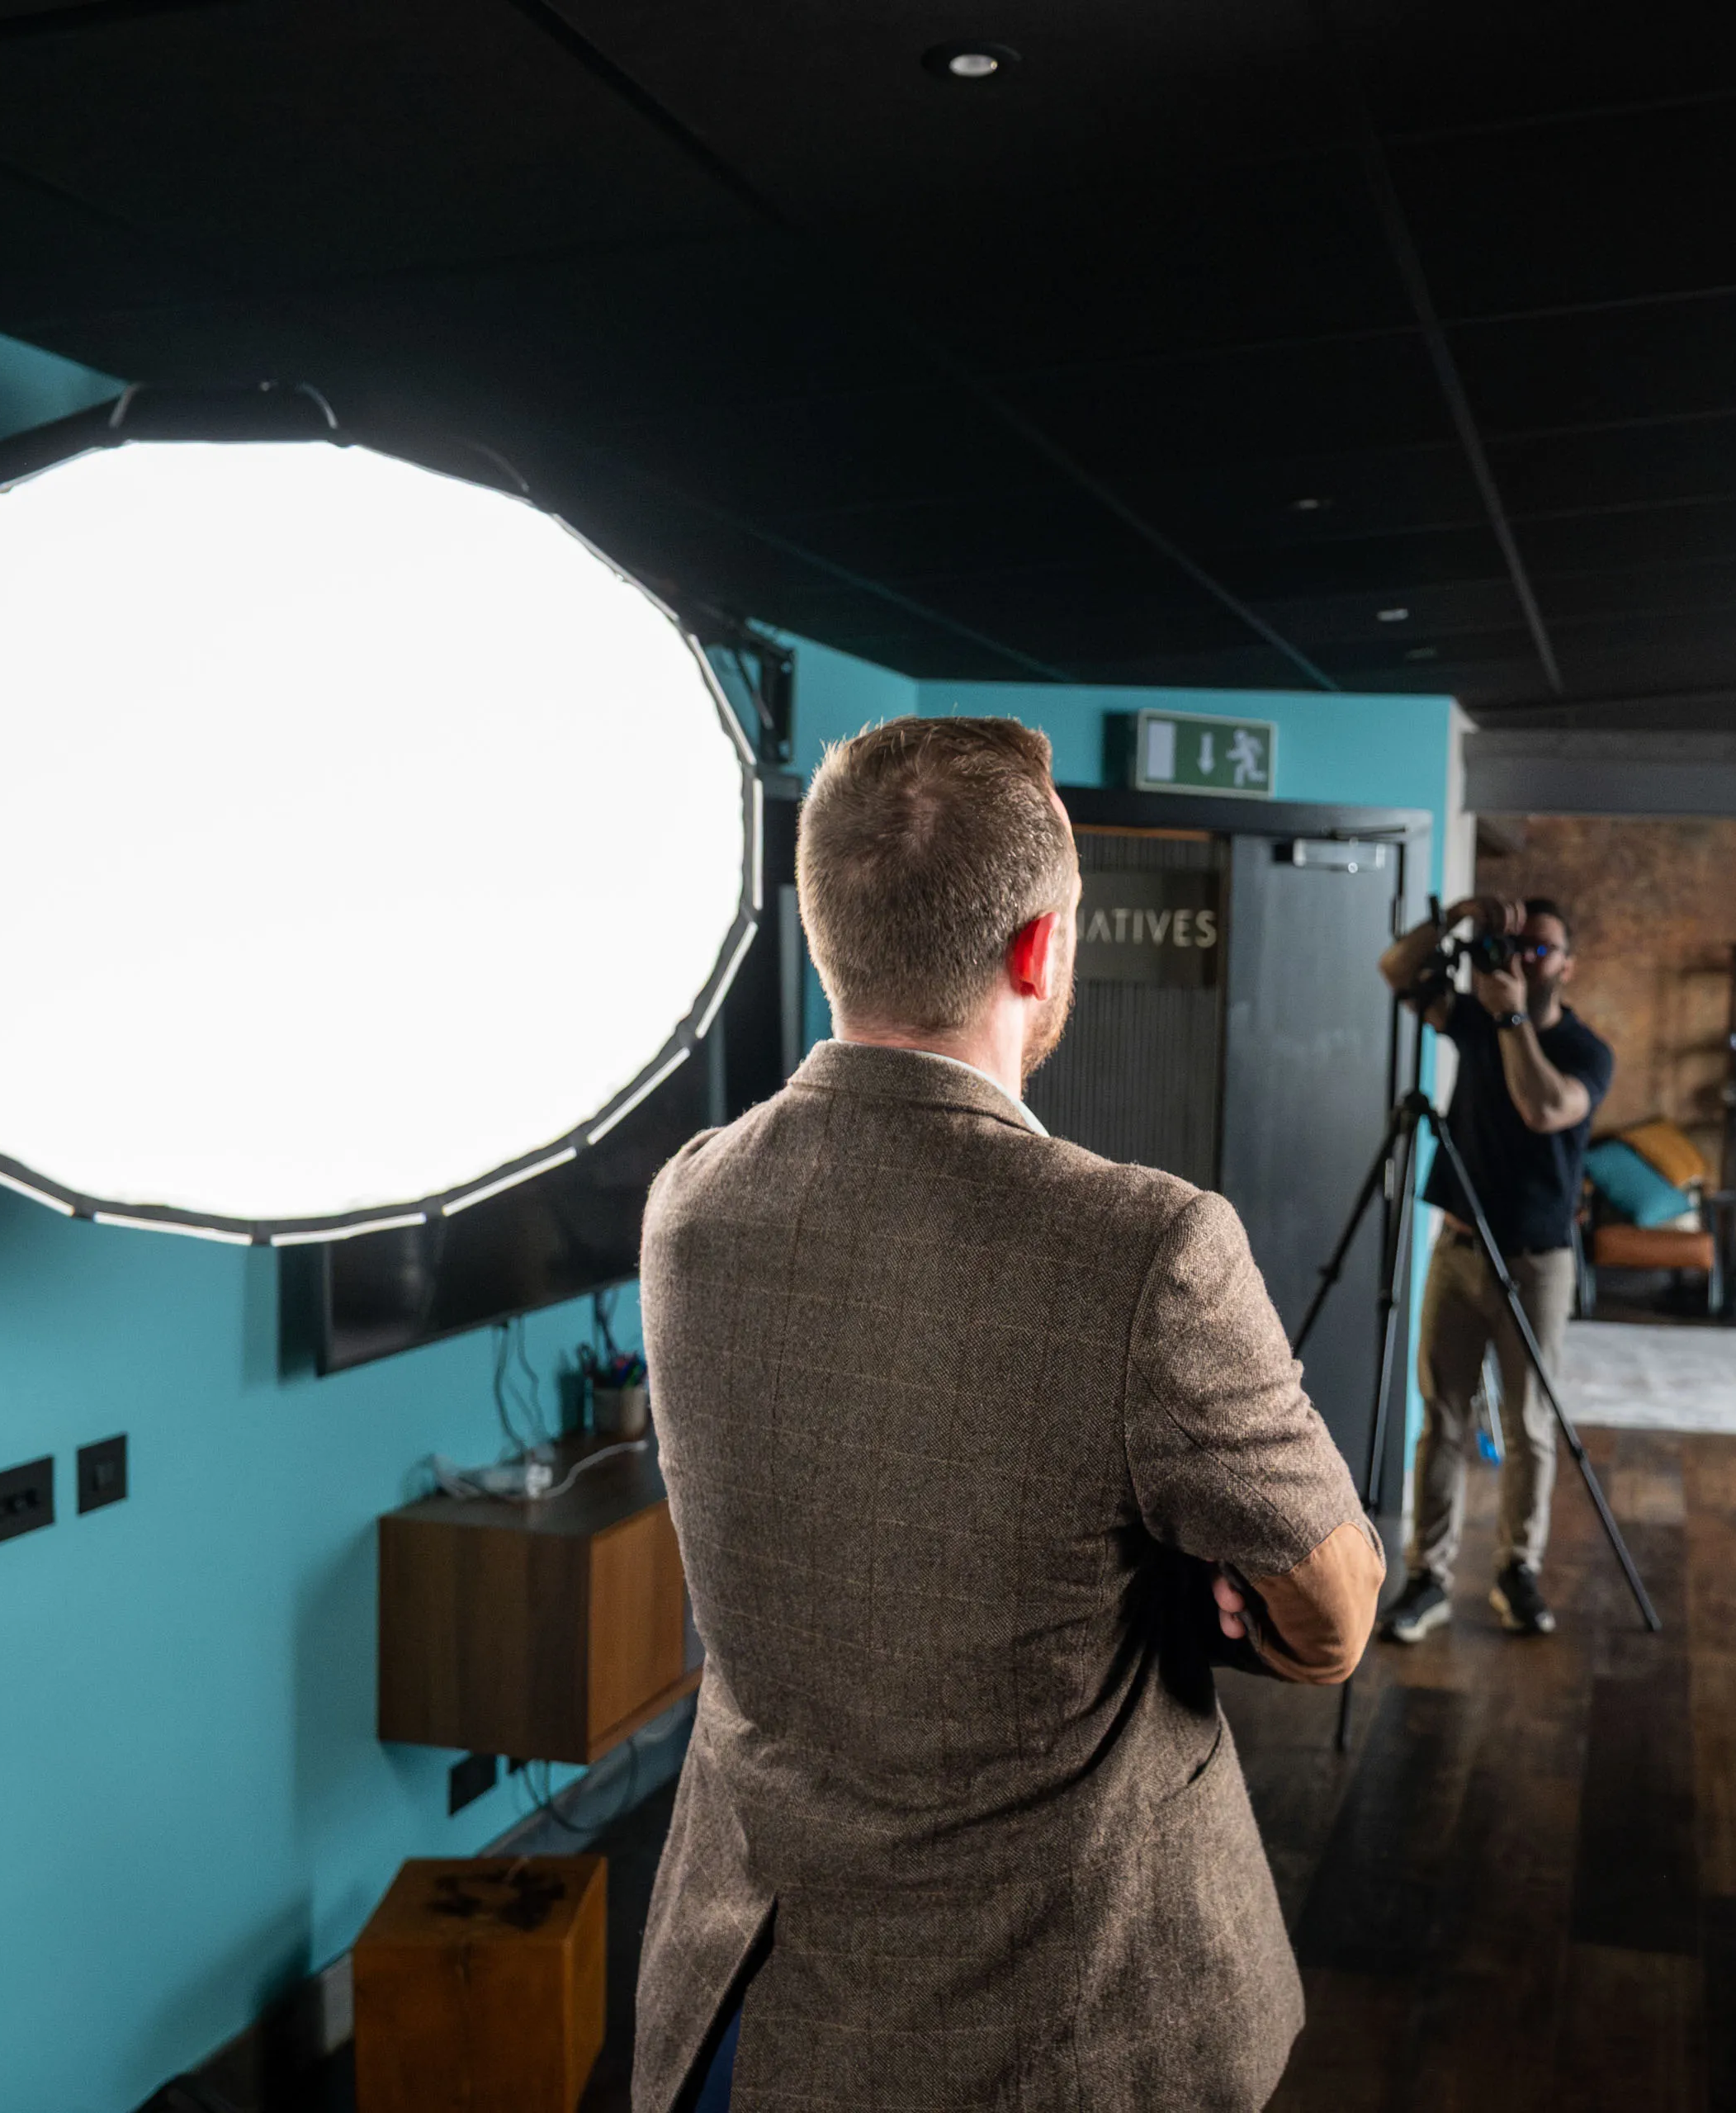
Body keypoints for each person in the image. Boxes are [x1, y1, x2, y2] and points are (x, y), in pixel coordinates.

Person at [631, 716, 1384, 2113]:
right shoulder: (1145, 1247)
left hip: (757, 2011)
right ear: (1040, 950)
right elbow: (1334, 1620)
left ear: (827, 937)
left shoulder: (689, 1202)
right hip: (1054, 2035)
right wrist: (1200, 1592)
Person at [1374, 895, 1615, 1643]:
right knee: (1441, 1419)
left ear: (1568, 967)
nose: (1523, 960)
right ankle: (1427, 1578)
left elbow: (1546, 1109)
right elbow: (1395, 969)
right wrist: (1458, 917)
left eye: (1541, 950)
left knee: (1528, 1424)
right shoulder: (1476, 1023)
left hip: (1538, 1262)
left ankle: (1518, 1570)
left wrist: (1512, 1018)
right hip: (1457, 1251)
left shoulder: (1585, 1050)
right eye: (1516, 946)